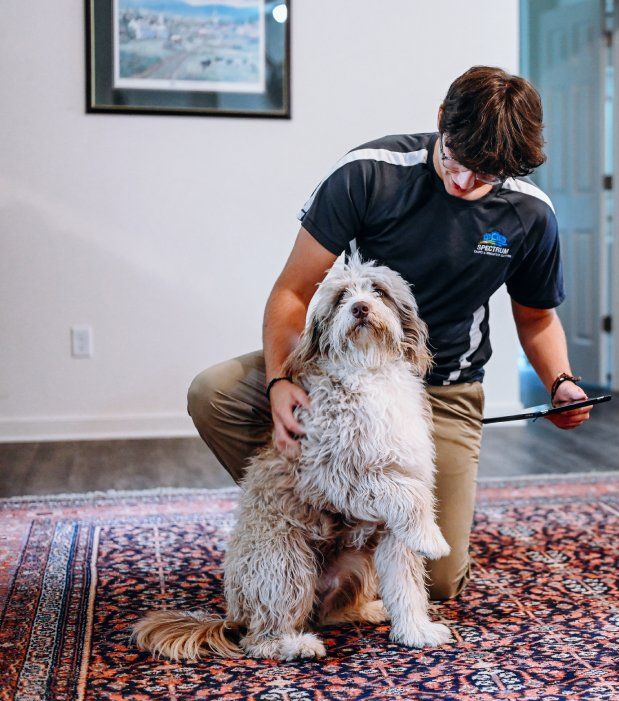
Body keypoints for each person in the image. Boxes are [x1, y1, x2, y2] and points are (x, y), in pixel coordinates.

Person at [186, 66, 590, 602]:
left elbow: (536, 317)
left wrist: (559, 381)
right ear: (441, 119)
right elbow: (293, 292)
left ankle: (369, 539)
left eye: (485, 174)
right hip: (346, 371)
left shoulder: (531, 215)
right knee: (214, 393)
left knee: (439, 578)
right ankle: (311, 516)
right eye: (455, 160)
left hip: (443, 385)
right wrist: (280, 379)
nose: (464, 182)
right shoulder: (370, 173)